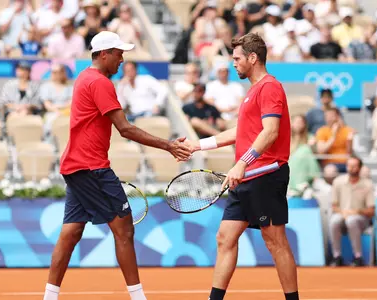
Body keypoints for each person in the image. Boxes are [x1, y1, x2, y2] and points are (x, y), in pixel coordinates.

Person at [42, 31, 192, 300]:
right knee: (124, 229)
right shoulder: (99, 82)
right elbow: (124, 128)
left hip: (75, 166)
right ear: (104, 54)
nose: (122, 59)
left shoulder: (84, 78)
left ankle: (49, 297)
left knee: (71, 231)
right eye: (119, 53)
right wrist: (168, 145)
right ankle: (138, 298)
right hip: (91, 167)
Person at [183, 32, 299, 300]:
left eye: (236, 58)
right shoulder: (254, 91)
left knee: (275, 241)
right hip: (246, 177)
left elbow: (270, 132)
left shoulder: (270, 87)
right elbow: (240, 131)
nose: (233, 63)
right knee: (225, 237)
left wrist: (242, 163)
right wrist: (197, 145)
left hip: (266, 174)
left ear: (252, 57)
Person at [329, 156, 375, 267]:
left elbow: (371, 210)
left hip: (361, 219)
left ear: (359, 168)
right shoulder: (338, 182)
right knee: (334, 221)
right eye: (349, 166)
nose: (351, 168)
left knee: (351, 220)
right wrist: (343, 212)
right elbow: (333, 206)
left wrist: (357, 211)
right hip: (342, 215)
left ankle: (358, 257)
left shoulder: (368, 185)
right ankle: (337, 256)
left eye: (354, 166)